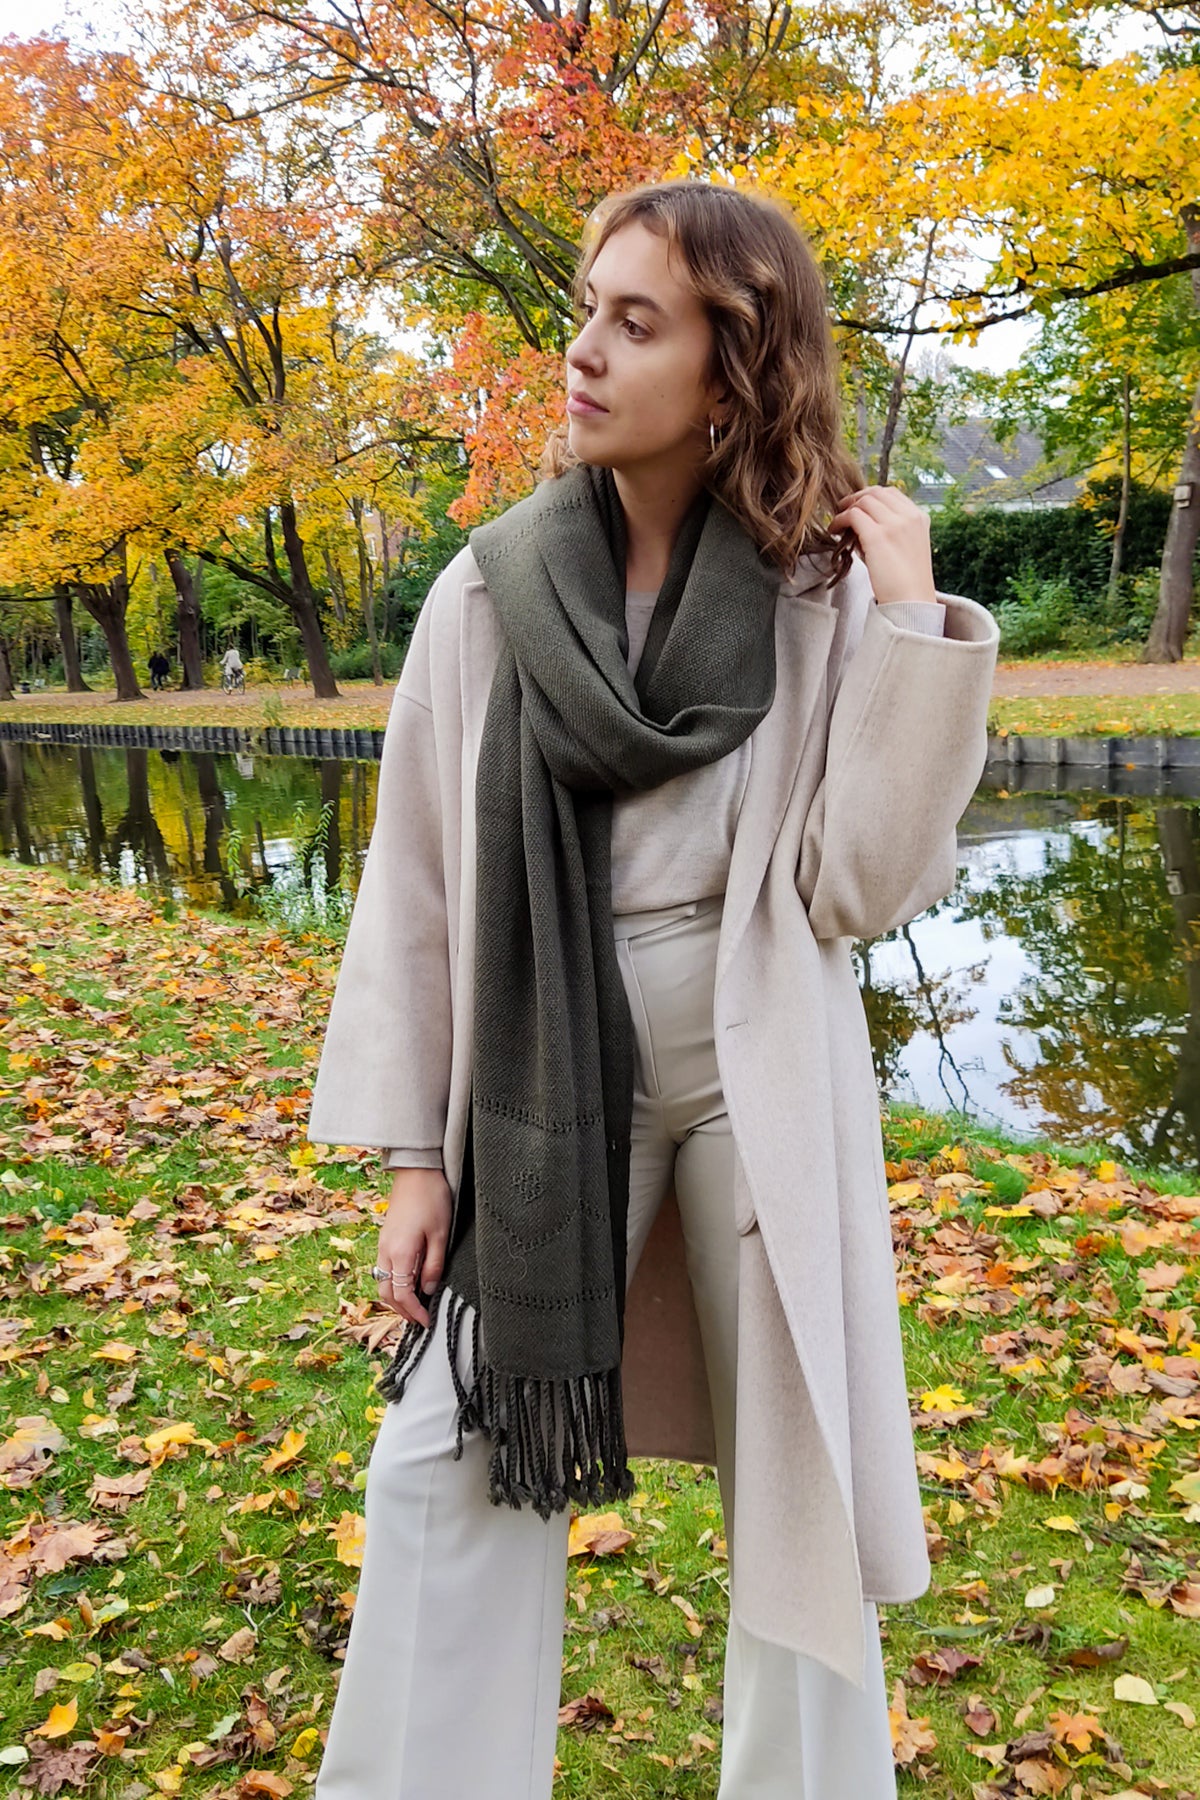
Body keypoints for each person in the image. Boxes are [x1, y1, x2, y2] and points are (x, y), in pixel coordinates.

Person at [305, 178, 998, 1800]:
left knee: (795, 1493)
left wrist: (911, 629)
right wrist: (418, 1158)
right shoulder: (490, 592)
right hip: (549, 1079)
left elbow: (859, 889)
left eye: (639, 321)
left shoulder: (816, 596)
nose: (586, 353)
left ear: (733, 366)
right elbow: (412, 883)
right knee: (447, 1459)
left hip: (757, 1072)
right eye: (585, 312)